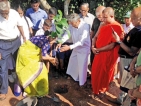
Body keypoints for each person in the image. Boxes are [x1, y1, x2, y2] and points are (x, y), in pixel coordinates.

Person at [16, 19, 58, 96]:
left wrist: (50, 58)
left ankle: (24, 87)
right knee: (37, 71)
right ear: (52, 39)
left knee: (28, 70)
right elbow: (44, 56)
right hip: (27, 55)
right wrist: (52, 59)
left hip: (24, 51)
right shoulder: (46, 43)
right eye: (54, 40)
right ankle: (33, 91)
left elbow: (45, 54)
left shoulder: (45, 37)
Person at [91, 7, 124, 99]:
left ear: (112, 16)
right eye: (102, 17)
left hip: (108, 55)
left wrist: (99, 49)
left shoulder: (117, 27)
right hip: (98, 53)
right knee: (95, 71)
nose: (103, 19)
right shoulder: (102, 24)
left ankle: (102, 90)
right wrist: (93, 46)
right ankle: (95, 89)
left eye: (105, 17)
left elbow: (113, 45)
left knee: (105, 73)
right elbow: (95, 37)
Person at [111, 6, 141, 105]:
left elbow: (132, 51)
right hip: (128, 60)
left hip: (129, 59)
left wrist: (119, 41)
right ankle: (121, 100)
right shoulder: (136, 29)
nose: (130, 20)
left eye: (133, 18)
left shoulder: (140, 32)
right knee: (124, 83)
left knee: (128, 85)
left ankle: (125, 102)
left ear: (140, 19)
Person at [0, 1, 25, 100]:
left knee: (20, 64)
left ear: (9, 9)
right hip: (2, 44)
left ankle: (21, 85)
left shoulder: (14, 13)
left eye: (6, 12)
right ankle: (3, 91)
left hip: (16, 42)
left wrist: (24, 36)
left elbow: (20, 25)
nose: (5, 15)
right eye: (2, 13)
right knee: (2, 69)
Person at [60, 13, 90, 86]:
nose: (72, 25)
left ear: (78, 21)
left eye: (73, 24)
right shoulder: (71, 25)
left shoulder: (85, 26)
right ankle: (74, 78)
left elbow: (81, 42)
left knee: (82, 66)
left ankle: (82, 83)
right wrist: (60, 41)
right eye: (71, 24)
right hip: (75, 47)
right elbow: (67, 34)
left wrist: (69, 47)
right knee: (73, 62)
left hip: (84, 48)